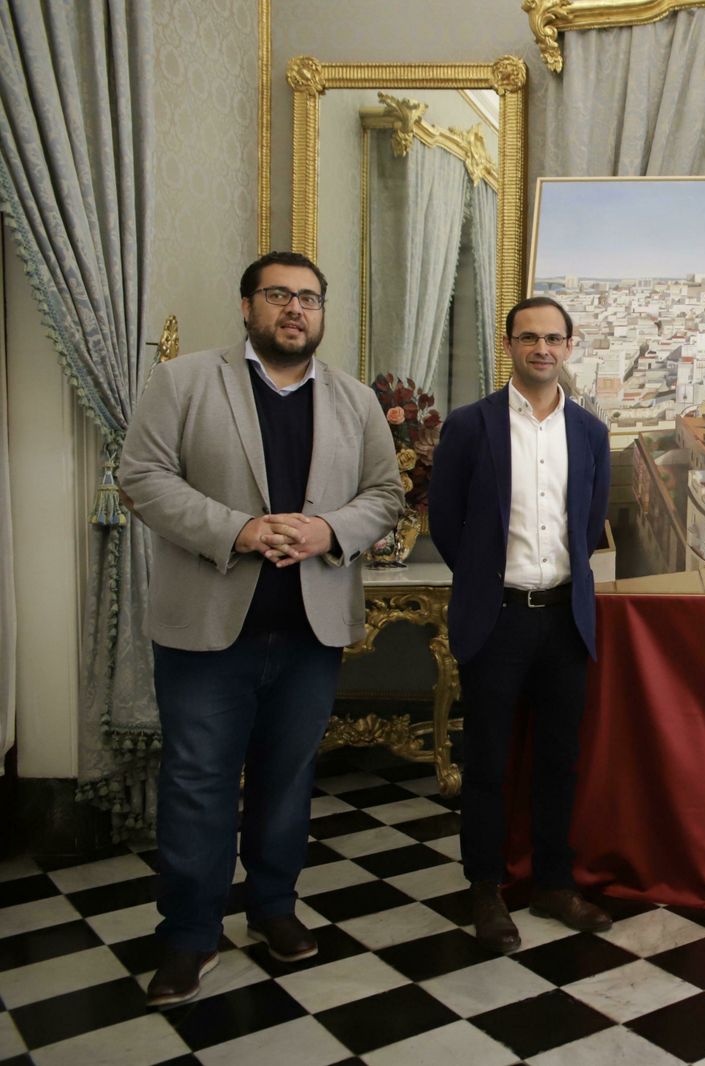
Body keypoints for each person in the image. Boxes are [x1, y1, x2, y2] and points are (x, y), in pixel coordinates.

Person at [120, 251, 403, 1007]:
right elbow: (142, 477)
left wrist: (328, 531)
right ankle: (189, 934)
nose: (295, 309)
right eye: (278, 294)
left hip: (309, 631)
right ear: (247, 306)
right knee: (197, 783)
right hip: (207, 627)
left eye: (309, 298)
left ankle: (273, 907)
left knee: (287, 779)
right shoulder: (184, 382)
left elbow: (385, 493)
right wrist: (239, 530)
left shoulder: (354, 400)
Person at [429, 295, 611, 952]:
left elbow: (588, 523)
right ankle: (485, 888)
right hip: (497, 619)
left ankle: (554, 884)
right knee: (487, 763)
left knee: (558, 760)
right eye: (529, 337)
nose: (541, 349)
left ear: (569, 346)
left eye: (553, 338)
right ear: (508, 345)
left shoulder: (589, 431)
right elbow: (445, 521)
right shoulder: (469, 425)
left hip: (564, 621)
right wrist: (487, 579)